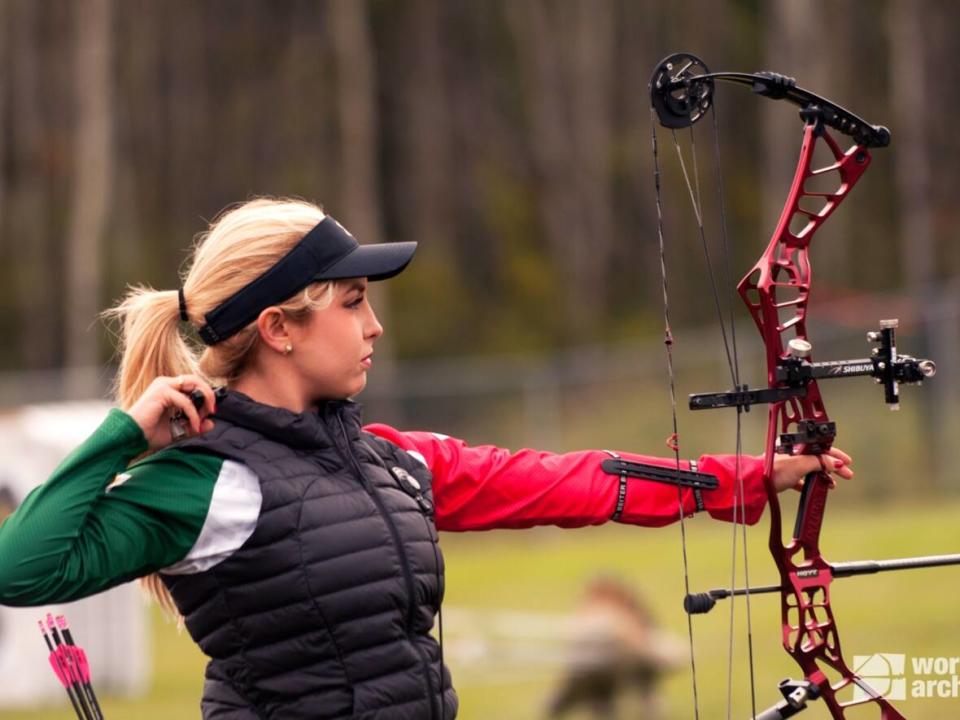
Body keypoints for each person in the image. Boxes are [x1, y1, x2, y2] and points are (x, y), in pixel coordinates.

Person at [0, 198, 852, 720]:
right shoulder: (200, 480)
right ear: (280, 326)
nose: (373, 326)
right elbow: (19, 568)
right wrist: (122, 438)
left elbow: (562, 479)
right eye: (353, 302)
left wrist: (743, 478)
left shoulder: (385, 460)